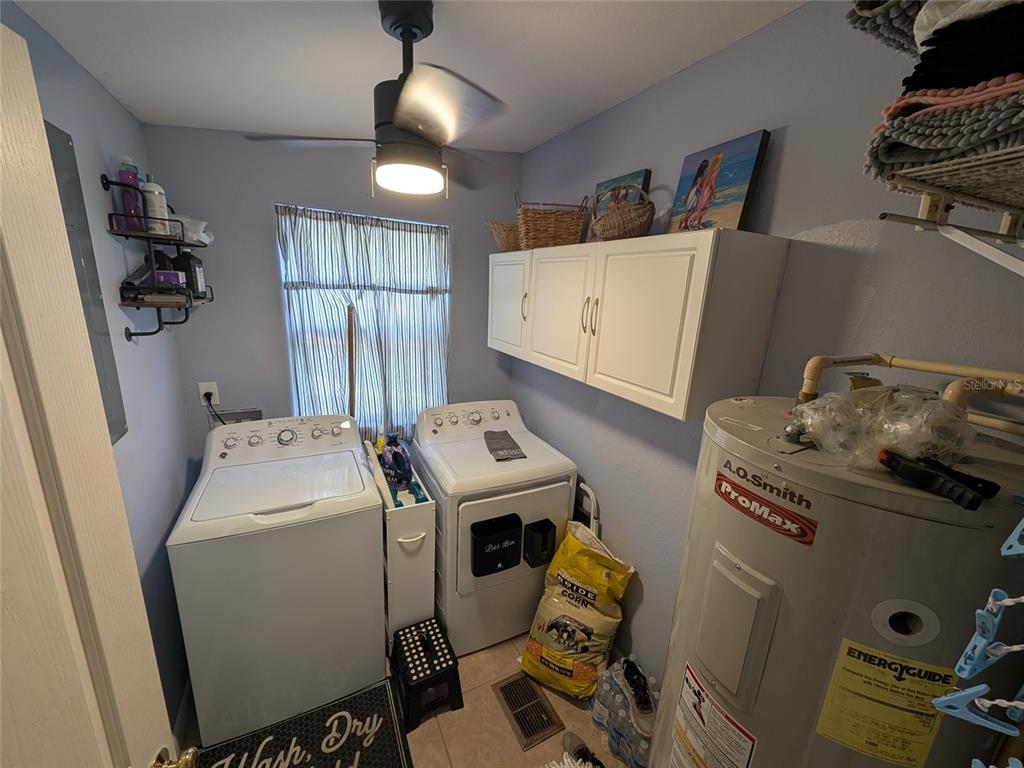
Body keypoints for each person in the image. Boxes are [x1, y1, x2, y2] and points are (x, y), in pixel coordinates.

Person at [685, 151, 723, 230]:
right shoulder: (716, 170)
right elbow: (712, 183)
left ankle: (699, 224)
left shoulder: (708, 170)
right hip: (708, 191)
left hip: (704, 191)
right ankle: (691, 221)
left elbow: (704, 182)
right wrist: (714, 192)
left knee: (702, 209)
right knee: (704, 210)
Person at [677, 158, 709, 231]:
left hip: (692, 192)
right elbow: (698, 187)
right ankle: (683, 219)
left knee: (689, 210)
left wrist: (686, 197)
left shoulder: (697, 176)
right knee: (693, 210)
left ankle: (685, 224)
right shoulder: (701, 176)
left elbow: (692, 187)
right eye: (707, 167)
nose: (708, 169)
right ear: (705, 168)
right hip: (695, 193)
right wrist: (702, 194)